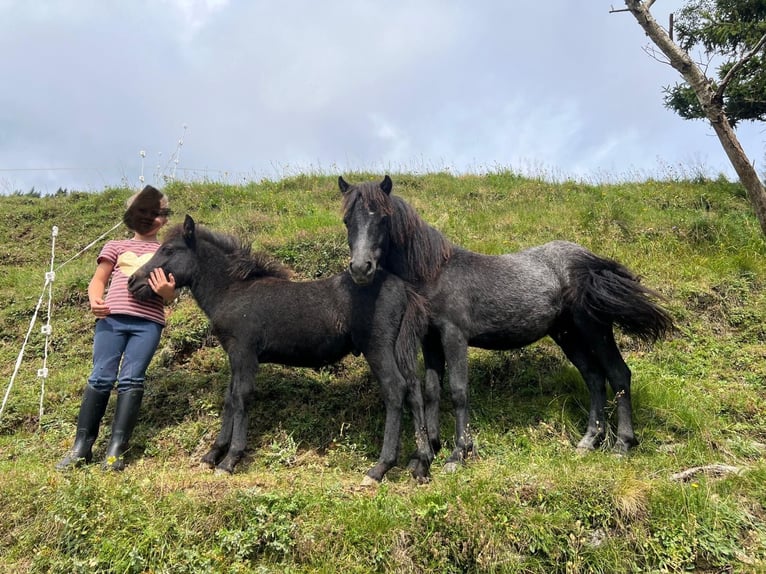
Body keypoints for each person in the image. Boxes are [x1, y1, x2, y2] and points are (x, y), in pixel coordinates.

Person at [56, 185, 176, 471]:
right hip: (111, 320)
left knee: (132, 380)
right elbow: (98, 280)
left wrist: (166, 291)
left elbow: (172, 296)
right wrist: (94, 299)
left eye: (156, 213)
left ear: (164, 218)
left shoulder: (167, 252)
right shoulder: (115, 246)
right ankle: (81, 448)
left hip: (148, 324)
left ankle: (115, 452)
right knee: (100, 378)